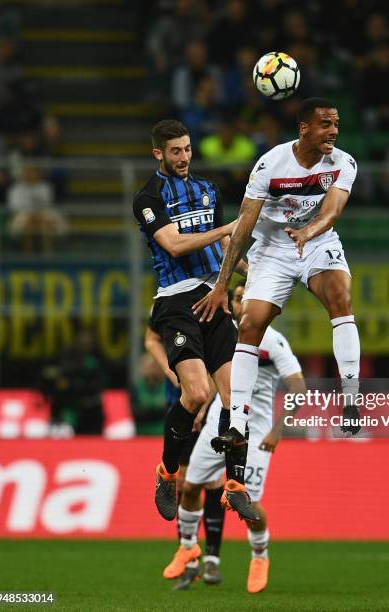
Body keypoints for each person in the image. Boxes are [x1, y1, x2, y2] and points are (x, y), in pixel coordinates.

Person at [193, 97, 362, 462]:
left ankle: (351, 398)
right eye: (326, 125)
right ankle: (237, 422)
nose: (333, 131)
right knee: (251, 324)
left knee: (341, 297)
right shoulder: (269, 165)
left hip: (317, 242)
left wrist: (308, 233)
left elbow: (331, 212)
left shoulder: (343, 163)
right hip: (271, 248)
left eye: (336, 124)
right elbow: (243, 229)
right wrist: (222, 284)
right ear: (305, 129)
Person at [132, 119, 257, 524]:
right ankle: (167, 473)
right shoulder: (148, 197)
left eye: (187, 149)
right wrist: (227, 227)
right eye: (176, 152)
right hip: (177, 301)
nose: (184, 158)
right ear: (159, 154)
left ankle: (235, 486)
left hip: (214, 296)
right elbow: (174, 243)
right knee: (197, 394)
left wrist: (251, 273)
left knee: (236, 396)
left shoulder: (207, 190)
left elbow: (224, 245)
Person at [167, 280, 307, 593]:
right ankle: (188, 547)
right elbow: (220, 378)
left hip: (255, 432)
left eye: (248, 297)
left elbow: (299, 389)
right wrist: (201, 411)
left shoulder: (274, 342)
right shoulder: (223, 333)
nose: (243, 302)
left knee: (249, 504)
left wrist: (277, 429)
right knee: (190, 488)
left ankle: (260, 555)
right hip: (221, 420)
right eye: (239, 297)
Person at [144, 315, 225, 589]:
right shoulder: (169, 301)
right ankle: (189, 558)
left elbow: (219, 362)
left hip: (209, 407)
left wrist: (204, 406)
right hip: (179, 404)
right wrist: (170, 371)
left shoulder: (211, 303)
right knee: (183, 481)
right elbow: (151, 339)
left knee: (212, 480)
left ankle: (212, 558)